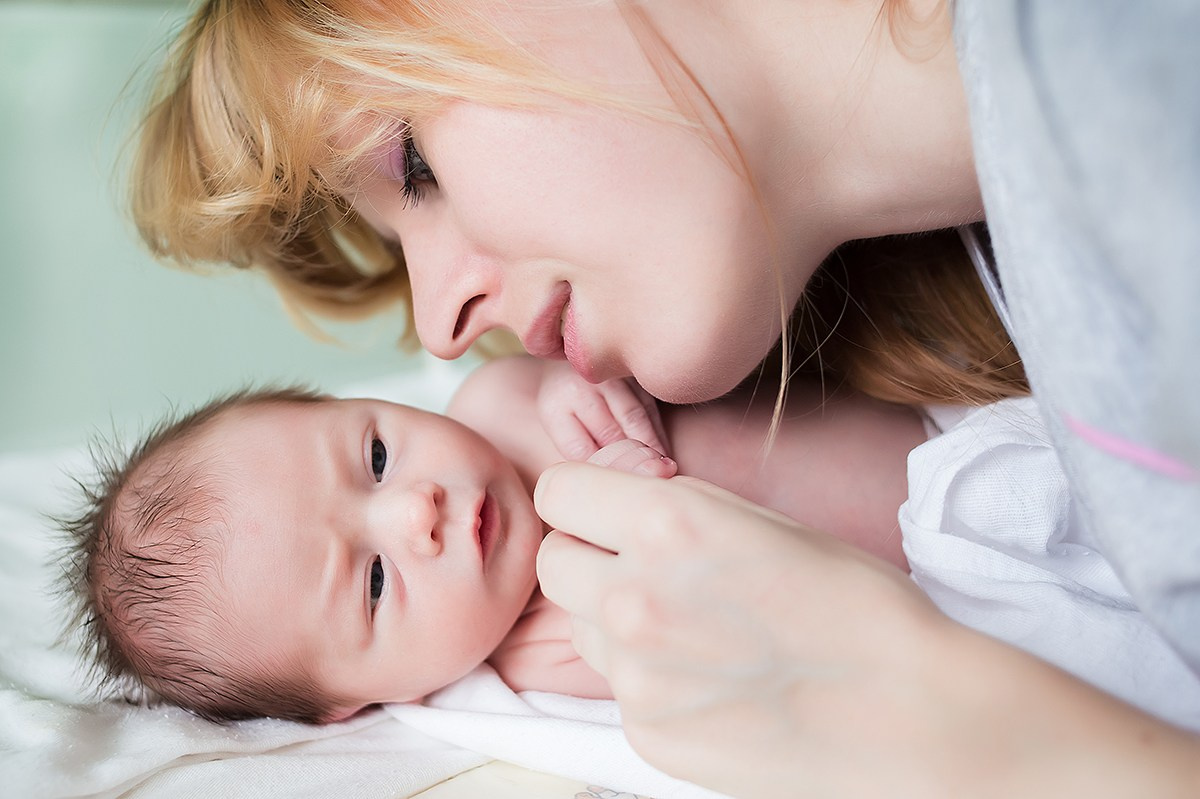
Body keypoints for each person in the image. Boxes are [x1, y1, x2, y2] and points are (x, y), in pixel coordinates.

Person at [128, 0, 1200, 794]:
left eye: (410, 163)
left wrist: (941, 712)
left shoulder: (1129, 88)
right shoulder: (1006, 316)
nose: (442, 320)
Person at [60, 356, 923, 724]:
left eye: (376, 454)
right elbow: (741, 638)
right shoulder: (547, 643)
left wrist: (600, 390)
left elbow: (611, 362)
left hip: (944, 408)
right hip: (958, 555)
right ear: (355, 700)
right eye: (372, 583)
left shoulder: (501, 399)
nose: (415, 512)